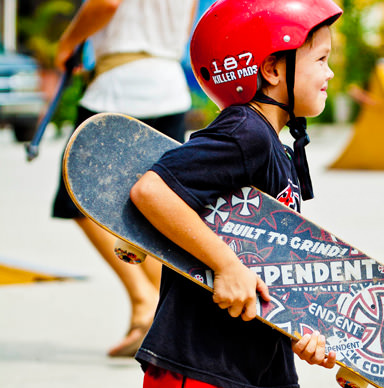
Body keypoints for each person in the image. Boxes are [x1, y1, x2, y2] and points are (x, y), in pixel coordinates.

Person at [129, 0, 343, 386]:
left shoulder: (277, 150)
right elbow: (152, 190)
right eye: (321, 59)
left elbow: (276, 260)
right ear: (273, 69)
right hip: (204, 364)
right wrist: (226, 266)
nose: (329, 72)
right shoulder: (246, 132)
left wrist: (306, 331)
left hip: (260, 364)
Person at [52, 0, 197, 357]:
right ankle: (163, 312)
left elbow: (106, 2)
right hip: (168, 84)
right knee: (155, 207)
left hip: (121, 85)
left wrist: (68, 42)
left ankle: (144, 299)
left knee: (76, 196)